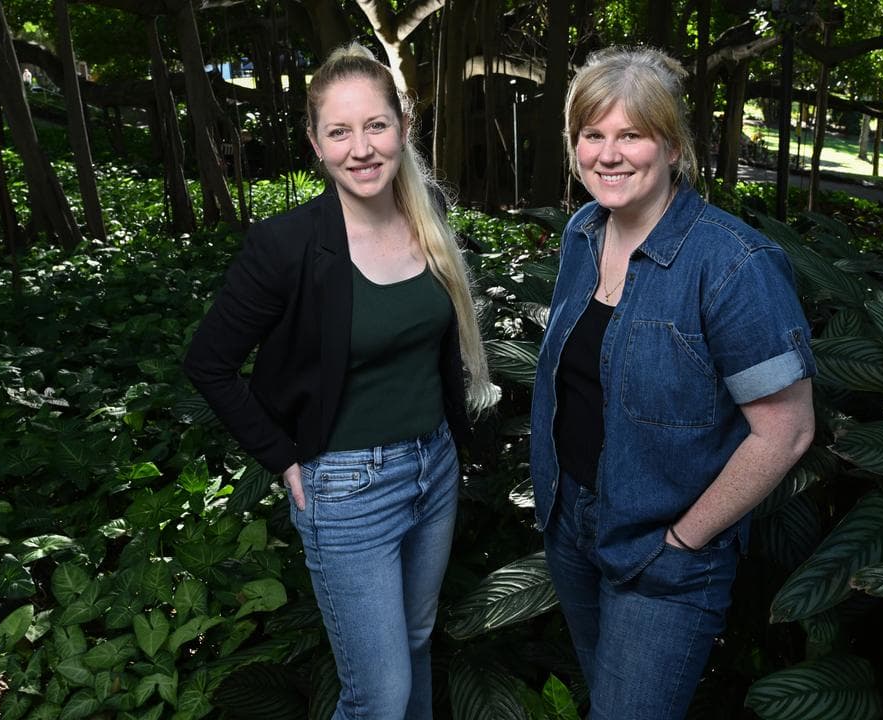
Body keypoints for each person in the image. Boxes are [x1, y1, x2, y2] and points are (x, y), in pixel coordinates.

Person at [183, 43, 489, 720]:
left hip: (432, 469)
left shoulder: (425, 210)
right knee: (379, 697)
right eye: (339, 131)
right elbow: (208, 363)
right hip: (347, 489)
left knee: (414, 647)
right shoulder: (285, 246)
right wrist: (282, 455)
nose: (362, 148)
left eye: (376, 125)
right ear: (315, 144)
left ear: (403, 127)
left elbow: (435, 347)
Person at [530, 46, 816, 719]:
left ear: (673, 146)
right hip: (571, 525)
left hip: (668, 551)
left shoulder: (733, 263)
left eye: (631, 134)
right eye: (592, 135)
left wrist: (684, 541)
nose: (608, 154)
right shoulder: (582, 234)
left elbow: (789, 429)